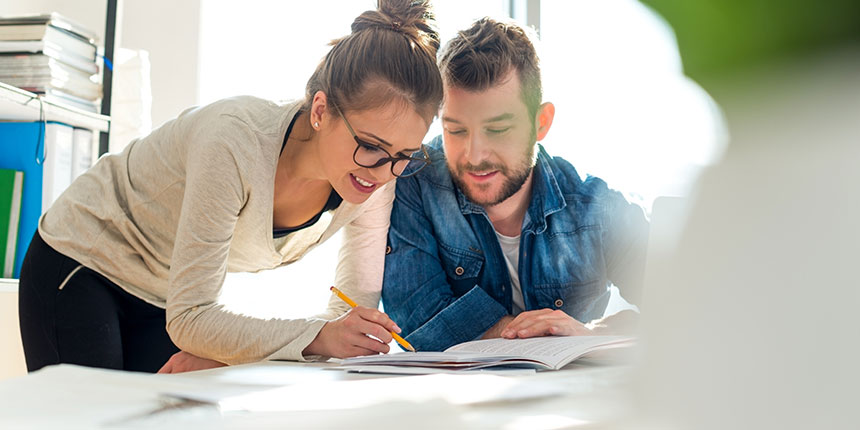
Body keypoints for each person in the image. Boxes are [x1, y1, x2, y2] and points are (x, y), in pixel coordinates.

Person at [18, 0, 443, 373]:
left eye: (405, 155)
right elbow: (193, 317)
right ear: (320, 110)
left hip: (164, 295)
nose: (385, 172)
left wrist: (330, 339)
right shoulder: (233, 141)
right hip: (84, 259)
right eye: (370, 146)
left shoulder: (377, 175)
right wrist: (314, 337)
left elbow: (347, 319)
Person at [381, 17, 650, 352]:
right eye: (456, 130)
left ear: (541, 122)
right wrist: (542, 337)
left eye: (497, 130)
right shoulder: (413, 183)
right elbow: (418, 316)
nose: (474, 155)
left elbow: (690, 306)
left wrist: (591, 337)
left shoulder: (594, 205)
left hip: (570, 400)